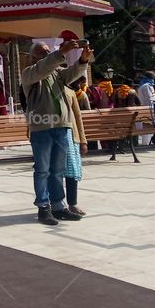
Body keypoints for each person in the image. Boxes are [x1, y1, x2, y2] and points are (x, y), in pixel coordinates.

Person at [21, 38, 93, 226]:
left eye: (48, 50)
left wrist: (83, 61)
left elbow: (72, 74)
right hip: (42, 127)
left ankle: (58, 206)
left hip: (61, 126)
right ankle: (43, 207)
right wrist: (61, 53)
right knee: (43, 170)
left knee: (58, 170)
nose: (47, 53)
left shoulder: (57, 73)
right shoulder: (29, 73)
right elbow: (43, 68)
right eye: (43, 51)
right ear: (34, 56)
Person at [65, 82, 88, 216]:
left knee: (72, 170)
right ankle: (56, 204)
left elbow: (77, 116)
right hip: (51, 135)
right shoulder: (46, 90)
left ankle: (72, 203)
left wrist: (83, 140)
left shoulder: (70, 92)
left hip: (71, 136)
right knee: (53, 173)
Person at [136, 73, 155, 146]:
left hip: (147, 107)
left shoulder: (146, 85)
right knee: (147, 125)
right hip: (147, 108)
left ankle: (146, 142)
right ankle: (145, 143)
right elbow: (149, 98)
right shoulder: (146, 86)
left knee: (147, 125)